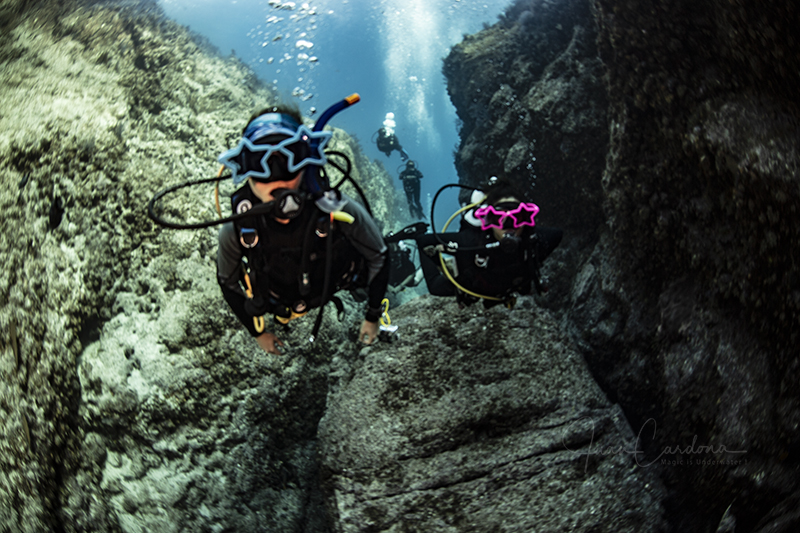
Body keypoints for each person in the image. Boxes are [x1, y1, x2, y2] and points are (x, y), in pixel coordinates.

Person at [216, 105, 389, 354]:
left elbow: (379, 255)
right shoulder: (238, 229)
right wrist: (258, 333)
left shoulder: (336, 209)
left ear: (307, 160)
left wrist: (372, 316)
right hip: (280, 301)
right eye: (258, 161)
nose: (276, 176)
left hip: (334, 285)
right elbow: (227, 281)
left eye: (291, 157)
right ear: (243, 166)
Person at [415, 177, 562, 308]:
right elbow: (424, 242)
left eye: (518, 216)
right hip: (475, 286)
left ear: (526, 219)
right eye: (498, 217)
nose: (508, 225)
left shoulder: (534, 240)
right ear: (487, 220)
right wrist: (454, 271)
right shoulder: (471, 241)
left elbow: (558, 234)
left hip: (508, 286)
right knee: (436, 288)